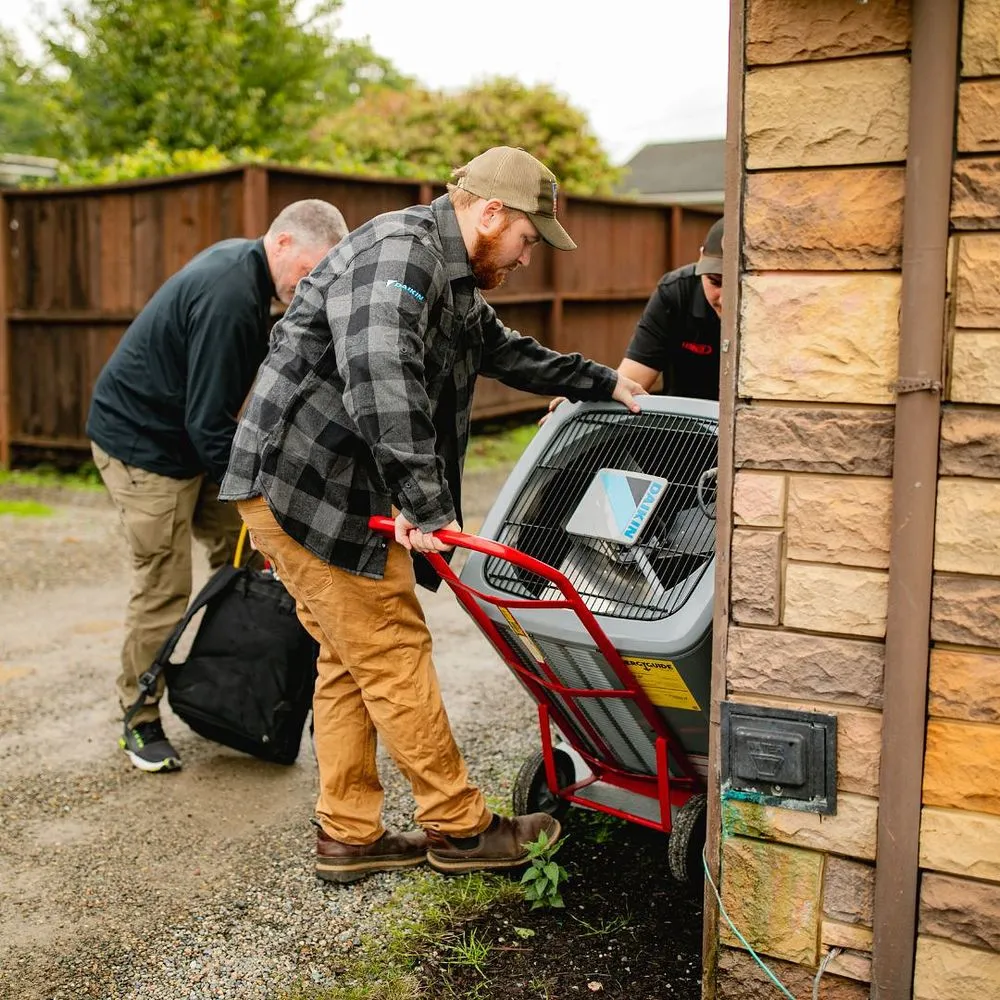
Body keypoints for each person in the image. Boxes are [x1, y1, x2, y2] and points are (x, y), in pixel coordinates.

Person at [219, 146, 648, 883]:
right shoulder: (400, 257)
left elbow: (500, 348)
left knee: (350, 661)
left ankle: (347, 834)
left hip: (334, 489)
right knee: (390, 647)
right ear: (490, 213)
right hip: (310, 490)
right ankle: (459, 827)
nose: (526, 257)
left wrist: (598, 380)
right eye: (525, 239)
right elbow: (381, 378)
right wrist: (427, 507)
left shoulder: (447, 272)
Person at [87, 199, 348, 773]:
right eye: (308, 273)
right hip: (141, 446)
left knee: (250, 555)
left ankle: (231, 694)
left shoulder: (258, 282)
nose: (311, 288)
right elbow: (209, 424)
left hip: (188, 437)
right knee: (164, 584)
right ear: (280, 243)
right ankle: (140, 716)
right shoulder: (230, 297)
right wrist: (262, 497)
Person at [542, 215, 724, 423]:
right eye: (715, 282)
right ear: (701, 258)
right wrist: (585, 401)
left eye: (737, 284)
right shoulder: (676, 293)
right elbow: (632, 381)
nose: (726, 299)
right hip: (685, 433)